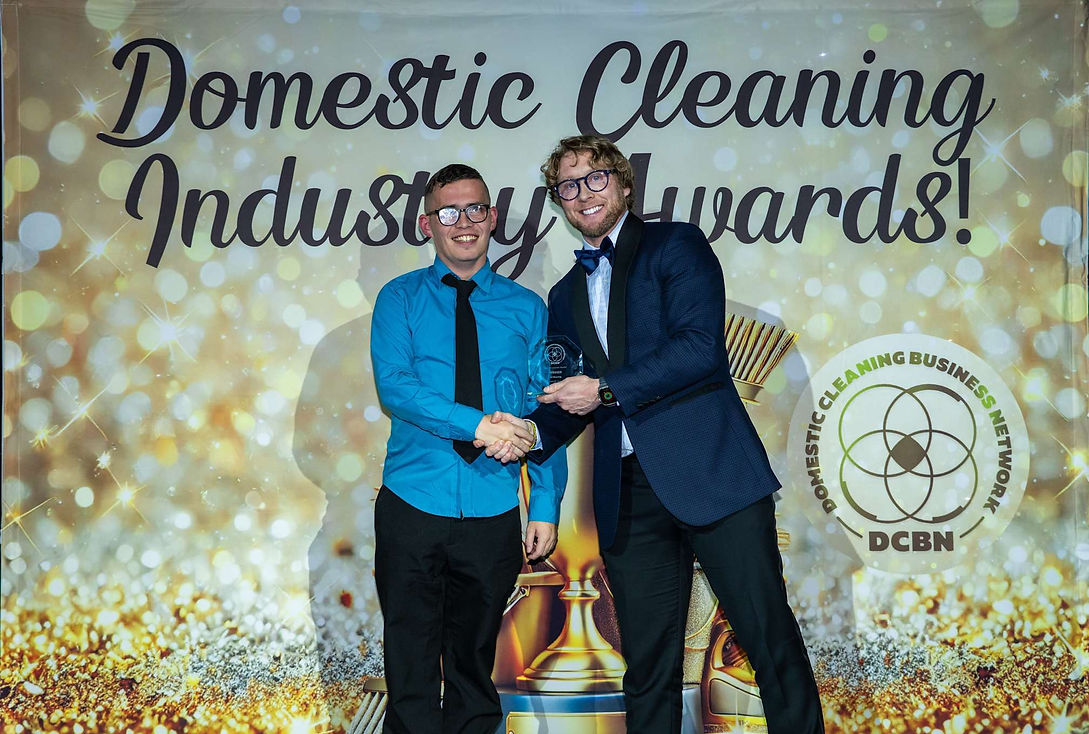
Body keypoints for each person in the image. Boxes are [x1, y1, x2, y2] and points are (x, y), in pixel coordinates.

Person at [489, 135, 824, 734]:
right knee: (646, 668)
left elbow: (699, 349)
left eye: (595, 178)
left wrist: (605, 390)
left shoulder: (677, 245)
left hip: (713, 475)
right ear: (559, 202)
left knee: (767, 639)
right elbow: (572, 399)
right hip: (627, 495)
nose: (583, 194)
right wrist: (527, 434)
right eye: (568, 186)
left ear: (623, 184)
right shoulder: (564, 295)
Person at [370, 163, 567, 734]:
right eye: (449, 212)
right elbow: (397, 388)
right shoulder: (399, 298)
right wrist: (478, 426)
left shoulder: (527, 309)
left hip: (494, 508)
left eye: (475, 209)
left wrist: (545, 504)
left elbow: (541, 411)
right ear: (427, 223)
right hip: (413, 503)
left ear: (492, 218)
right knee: (409, 665)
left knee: (475, 667)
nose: (464, 223)